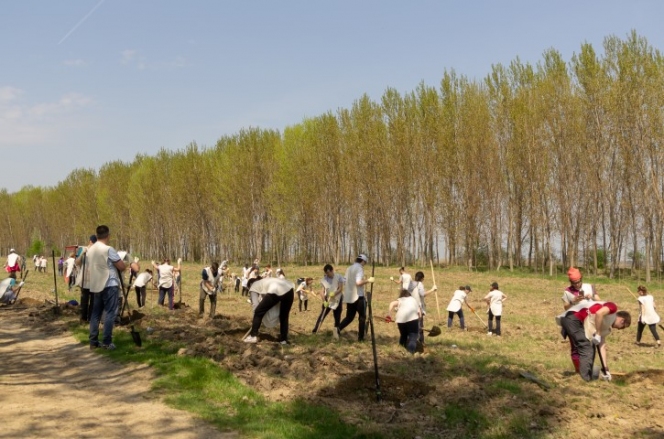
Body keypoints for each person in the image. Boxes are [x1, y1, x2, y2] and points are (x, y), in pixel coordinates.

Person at [556, 300, 631, 381]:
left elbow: (602, 346)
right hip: (574, 318)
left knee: (590, 348)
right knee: (587, 348)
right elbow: (599, 313)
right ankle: (584, 380)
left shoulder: (606, 324)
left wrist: (605, 369)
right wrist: (598, 333)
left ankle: (585, 376)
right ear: (622, 320)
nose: (619, 329)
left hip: (575, 321)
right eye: (622, 327)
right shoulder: (612, 308)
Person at [87, 225, 126, 350]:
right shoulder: (108, 249)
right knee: (110, 313)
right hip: (110, 283)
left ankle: (93, 341)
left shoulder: (90, 249)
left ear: (97, 235)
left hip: (96, 283)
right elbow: (121, 266)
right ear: (108, 236)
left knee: (96, 313)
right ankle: (107, 342)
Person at [561, 267, 600, 373]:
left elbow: (599, 300)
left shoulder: (589, 287)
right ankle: (578, 371)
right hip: (573, 323)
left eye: (578, 282)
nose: (577, 284)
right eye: (574, 283)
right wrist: (573, 301)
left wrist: (591, 296)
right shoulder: (567, 292)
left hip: (588, 321)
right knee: (576, 347)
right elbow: (565, 307)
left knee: (590, 345)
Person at [244, 277, 295, 344]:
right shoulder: (264, 282)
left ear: (250, 285)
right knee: (284, 315)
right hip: (289, 289)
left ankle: (253, 336)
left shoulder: (253, 286)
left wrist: (256, 319)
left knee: (258, 311)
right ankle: (283, 340)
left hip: (276, 289)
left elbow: (255, 305)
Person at [337, 254, 375, 341]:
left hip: (350, 296)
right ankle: (361, 338)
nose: (364, 264)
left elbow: (345, 281)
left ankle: (338, 329)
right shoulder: (359, 268)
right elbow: (358, 283)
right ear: (363, 261)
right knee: (362, 317)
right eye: (365, 263)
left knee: (349, 317)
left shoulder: (349, 268)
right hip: (358, 296)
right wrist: (368, 280)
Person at [312, 264, 345, 335]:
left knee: (337, 316)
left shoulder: (339, 277)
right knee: (322, 315)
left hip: (337, 298)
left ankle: (336, 331)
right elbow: (321, 291)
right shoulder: (324, 280)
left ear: (332, 270)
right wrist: (324, 301)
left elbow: (340, 289)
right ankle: (315, 330)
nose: (328, 274)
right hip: (328, 299)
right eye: (327, 273)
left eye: (329, 272)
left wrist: (334, 293)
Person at [387, 289, 421, 354]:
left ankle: (400, 351)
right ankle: (410, 352)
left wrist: (389, 314)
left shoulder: (401, 300)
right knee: (413, 336)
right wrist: (417, 323)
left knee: (403, 335)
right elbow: (419, 313)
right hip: (412, 318)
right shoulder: (413, 300)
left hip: (400, 319)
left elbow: (392, 303)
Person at [75, 235, 98, 323]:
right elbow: (77, 263)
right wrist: (82, 254)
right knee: (84, 300)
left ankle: (91, 318)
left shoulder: (97, 252)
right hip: (84, 280)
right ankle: (83, 318)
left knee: (93, 301)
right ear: (90, 242)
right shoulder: (84, 250)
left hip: (94, 281)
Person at [410, 271, 437, 344]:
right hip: (417, 308)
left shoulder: (411, 284)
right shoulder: (419, 284)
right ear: (422, 278)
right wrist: (432, 289)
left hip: (410, 307)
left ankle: (412, 340)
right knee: (419, 325)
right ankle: (420, 342)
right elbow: (422, 294)